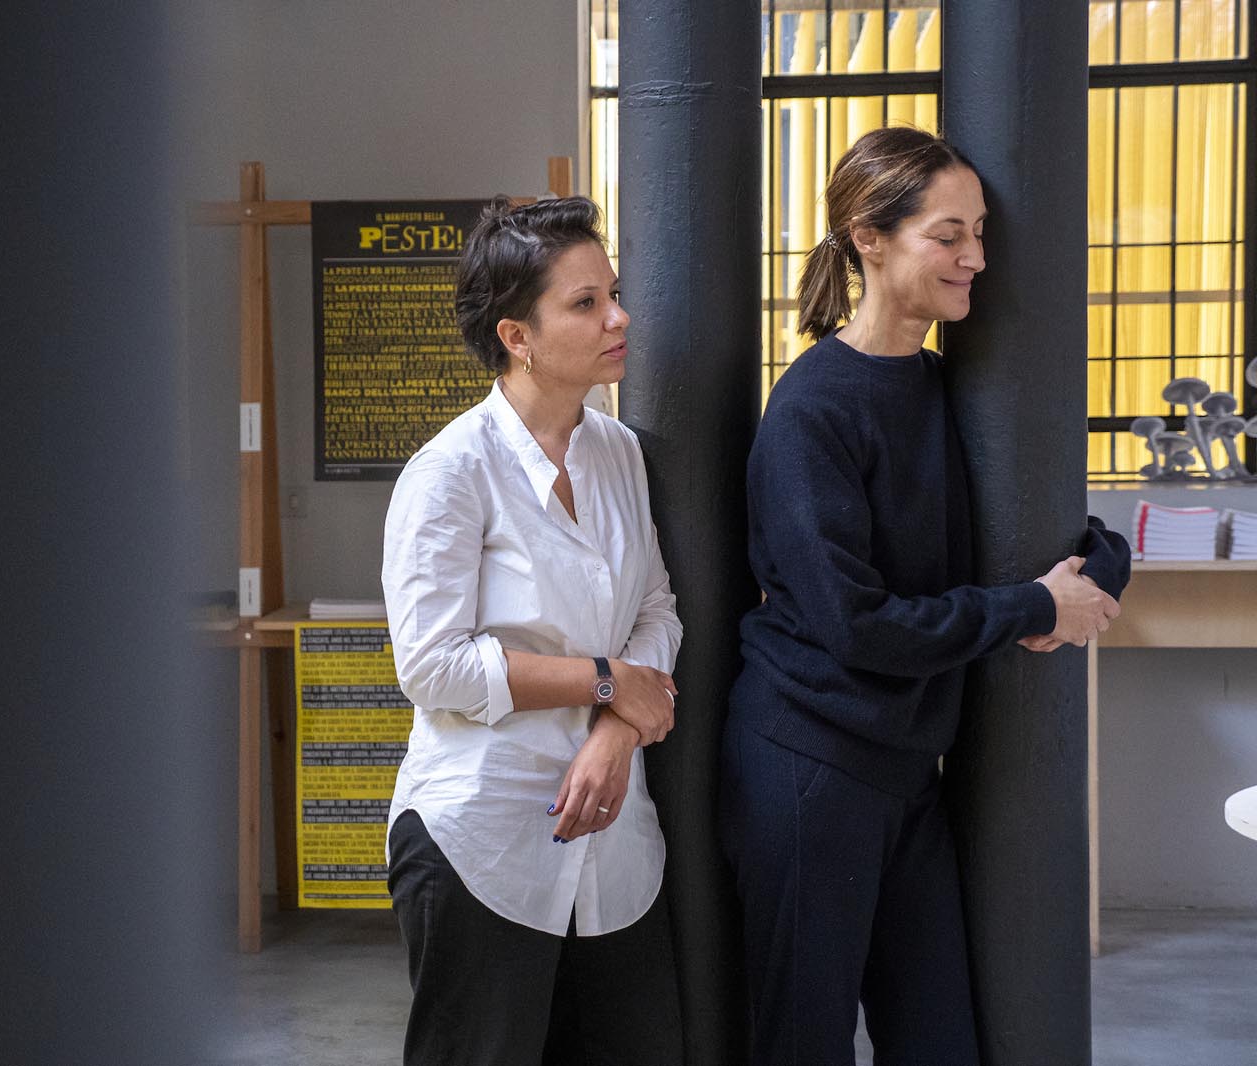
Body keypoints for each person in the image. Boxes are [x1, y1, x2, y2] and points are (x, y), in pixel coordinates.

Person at [720, 127, 1132, 1065]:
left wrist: (1097, 573)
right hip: (809, 765)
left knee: (942, 1042)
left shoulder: (951, 388)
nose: (975, 257)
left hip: (907, 773)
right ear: (870, 238)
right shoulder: (811, 411)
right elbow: (857, 625)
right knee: (802, 1047)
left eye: (979, 232)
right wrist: (1035, 608)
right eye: (948, 235)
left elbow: (1064, 535)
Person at [381, 195, 684, 1066]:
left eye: (613, 294)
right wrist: (605, 680)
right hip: (480, 839)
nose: (619, 317)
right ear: (517, 336)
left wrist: (617, 730)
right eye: (586, 303)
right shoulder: (450, 472)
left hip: (615, 846)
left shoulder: (619, 451)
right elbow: (433, 666)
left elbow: (657, 608)